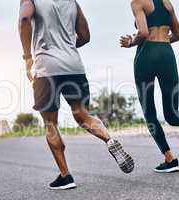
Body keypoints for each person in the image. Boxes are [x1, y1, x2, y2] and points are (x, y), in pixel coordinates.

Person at [19, 0, 134, 190]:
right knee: (82, 113)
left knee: (50, 124)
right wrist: (65, 47)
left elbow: (24, 19)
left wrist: (27, 57)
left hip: (46, 67)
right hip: (73, 64)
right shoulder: (72, 1)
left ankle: (66, 176)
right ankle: (109, 139)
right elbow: (85, 36)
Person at [120, 0, 179, 173]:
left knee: (150, 114)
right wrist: (162, 42)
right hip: (166, 53)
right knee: (172, 113)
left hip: (146, 55)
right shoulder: (167, 3)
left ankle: (170, 158)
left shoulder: (137, 2)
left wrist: (131, 43)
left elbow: (142, 32)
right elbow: (178, 34)